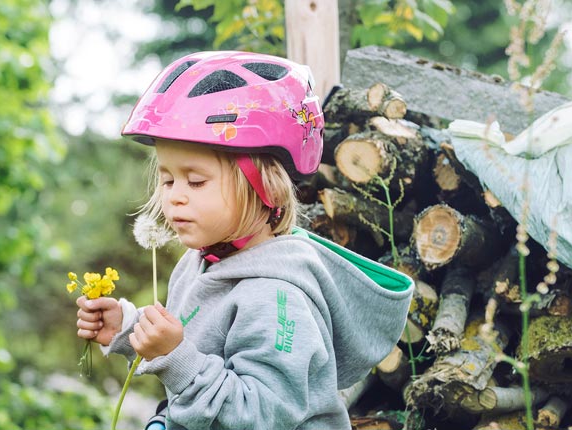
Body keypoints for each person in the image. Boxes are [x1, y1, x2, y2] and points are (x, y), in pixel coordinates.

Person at [75, 51, 414, 429]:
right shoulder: (200, 263)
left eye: (197, 181)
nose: (174, 196)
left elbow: (262, 415)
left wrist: (174, 356)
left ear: (265, 187)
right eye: (168, 179)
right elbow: (200, 347)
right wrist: (128, 327)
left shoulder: (275, 296)